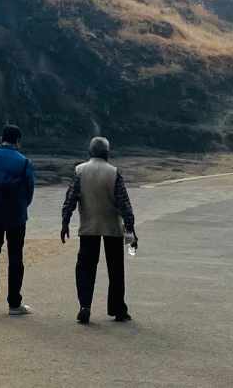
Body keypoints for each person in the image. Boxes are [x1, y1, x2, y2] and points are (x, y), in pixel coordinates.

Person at [61, 136, 135, 325]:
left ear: (90, 152)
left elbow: (71, 198)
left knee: (85, 267)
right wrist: (130, 230)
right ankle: (118, 309)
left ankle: (85, 306)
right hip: (112, 228)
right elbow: (124, 204)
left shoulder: (80, 170)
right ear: (107, 153)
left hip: (88, 227)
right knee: (116, 269)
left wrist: (65, 222)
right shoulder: (114, 172)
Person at [0, 124, 36, 316]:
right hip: (16, 215)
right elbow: (29, 191)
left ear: (0, 138)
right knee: (15, 257)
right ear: (18, 141)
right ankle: (14, 304)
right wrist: (22, 206)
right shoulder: (24, 162)